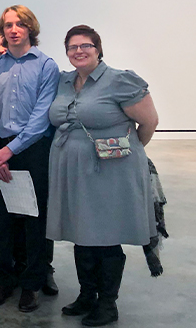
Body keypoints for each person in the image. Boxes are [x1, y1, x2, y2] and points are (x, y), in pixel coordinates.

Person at [48, 25, 158, 326]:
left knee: (106, 236)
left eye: (86, 45)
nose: (79, 51)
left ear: (98, 49)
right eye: (72, 47)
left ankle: (108, 304)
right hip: (73, 171)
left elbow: (149, 122)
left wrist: (126, 155)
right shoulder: (64, 81)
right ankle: (87, 295)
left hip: (111, 172)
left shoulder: (120, 80)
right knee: (82, 234)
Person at [0, 5, 60, 312]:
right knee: (2, 220)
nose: (13, 30)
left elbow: (41, 118)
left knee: (33, 220)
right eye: (8, 25)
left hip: (32, 149)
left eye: (20, 24)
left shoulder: (46, 66)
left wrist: (9, 150)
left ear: (31, 28)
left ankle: (32, 284)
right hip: (0, 150)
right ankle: (4, 281)